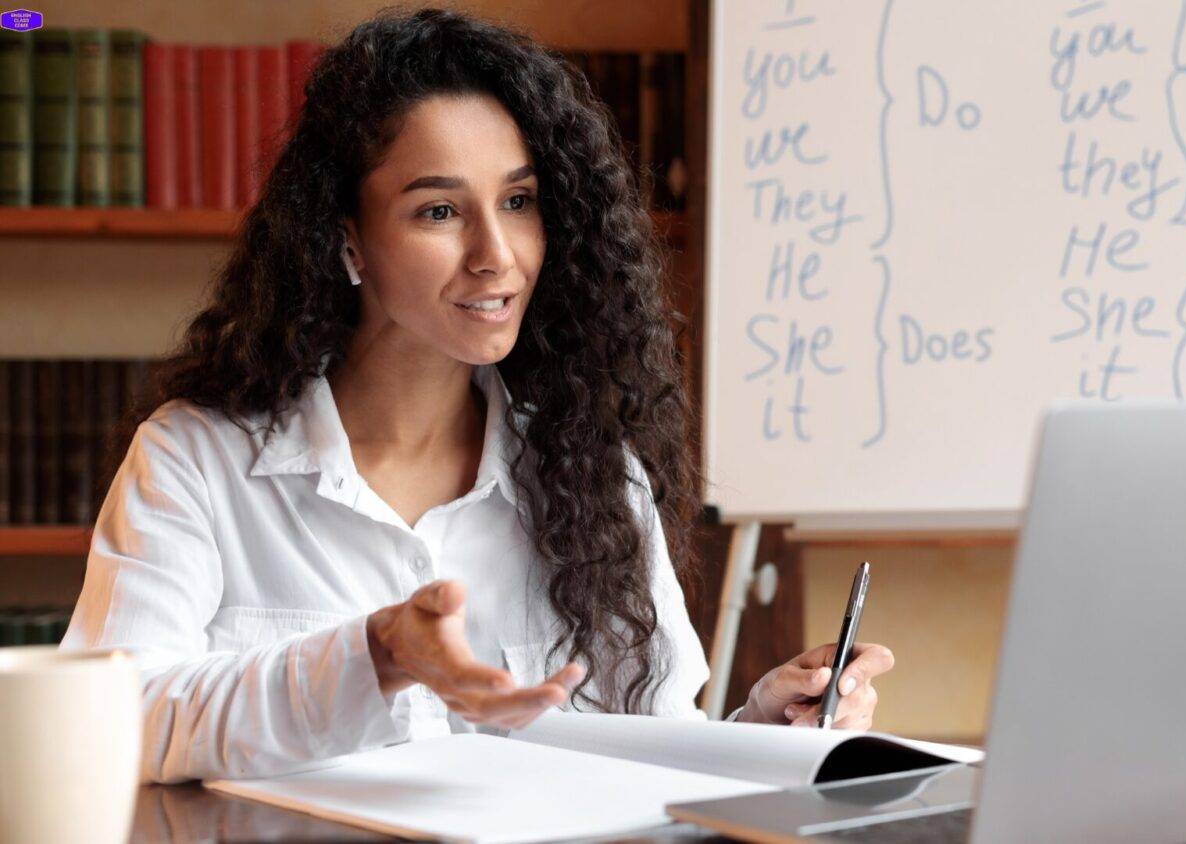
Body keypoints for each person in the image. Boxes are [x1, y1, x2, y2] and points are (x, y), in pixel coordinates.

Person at [59, 9, 894, 784]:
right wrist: (374, 656)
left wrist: (764, 728)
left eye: (519, 202)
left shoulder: (592, 474)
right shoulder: (196, 460)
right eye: (438, 211)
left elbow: (653, 746)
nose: (497, 254)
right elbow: (110, 724)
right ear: (346, 237)